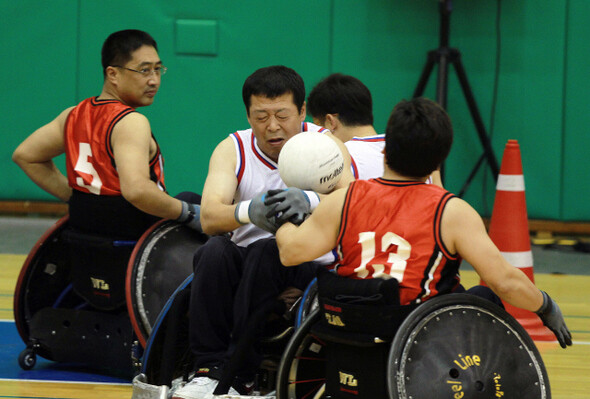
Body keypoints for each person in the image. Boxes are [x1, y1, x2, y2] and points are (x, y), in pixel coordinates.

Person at [276, 97, 572, 349]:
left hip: (350, 331)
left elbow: (290, 253)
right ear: (438, 163)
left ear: (385, 148)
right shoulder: (452, 212)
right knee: (485, 295)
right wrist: (544, 304)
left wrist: (288, 218)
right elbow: (505, 281)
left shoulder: (345, 198)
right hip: (419, 339)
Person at [173, 65, 354, 399]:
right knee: (213, 251)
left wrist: (312, 199)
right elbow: (211, 216)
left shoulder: (325, 145)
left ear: (302, 111)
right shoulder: (233, 148)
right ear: (248, 114)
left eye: (283, 115)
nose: (272, 126)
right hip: (246, 268)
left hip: (306, 265)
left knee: (266, 252)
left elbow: (354, 198)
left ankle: (240, 374)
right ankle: (208, 370)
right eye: (261, 116)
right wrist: (247, 211)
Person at [12, 29, 200, 240]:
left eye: (158, 70)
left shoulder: (72, 116)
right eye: (144, 70)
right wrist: (190, 213)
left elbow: (26, 155)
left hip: (84, 232)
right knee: (194, 202)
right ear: (113, 74)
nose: (154, 80)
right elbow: (137, 191)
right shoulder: (131, 122)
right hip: (137, 233)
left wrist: (78, 199)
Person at [306, 72, 442, 185]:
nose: (320, 135)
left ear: (330, 121)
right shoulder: (413, 151)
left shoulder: (337, 160)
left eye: (319, 127)